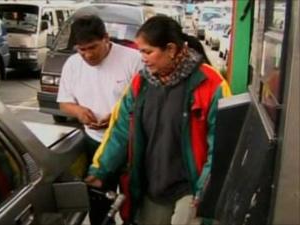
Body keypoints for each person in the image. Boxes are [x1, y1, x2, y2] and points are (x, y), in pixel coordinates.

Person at [85, 15, 232, 225]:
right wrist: (101, 169)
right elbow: (120, 130)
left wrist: (206, 190)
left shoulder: (211, 84)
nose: (142, 58)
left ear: (171, 49)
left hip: (191, 188)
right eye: (140, 52)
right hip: (152, 187)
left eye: (147, 51)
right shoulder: (140, 83)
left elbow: (220, 145)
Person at [56, 15, 142, 225]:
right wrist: (78, 111)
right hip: (95, 143)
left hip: (131, 144)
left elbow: (146, 104)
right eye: (81, 49)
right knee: (99, 204)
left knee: (136, 204)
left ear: (106, 38)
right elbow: (64, 102)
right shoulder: (73, 64)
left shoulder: (133, 59)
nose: (87, 55)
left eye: (92, 47)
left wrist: (115, 118)